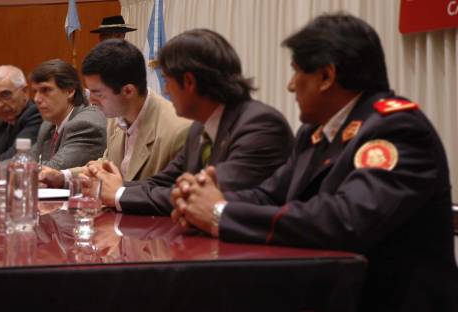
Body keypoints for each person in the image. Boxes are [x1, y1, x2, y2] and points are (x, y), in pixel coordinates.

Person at [171, 13, 458, 311]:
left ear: (326, 77)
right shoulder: (316, 132)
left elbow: (345, 221)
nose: (290, 86)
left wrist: (221, 213)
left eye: (296, 72)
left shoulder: (397, 129)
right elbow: (269, 194)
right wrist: (199, 202)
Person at [84, 29, 294, 216]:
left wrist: (120, 194)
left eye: (167, 81)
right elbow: (161, 182)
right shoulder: (199, 128)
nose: (165, 91)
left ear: (190, 82)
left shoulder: (260, 126)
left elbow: (204, 197)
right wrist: (112, 187)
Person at [39, 39, 191, 188]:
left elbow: (169, 196)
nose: (91, 100)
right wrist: (63, 177)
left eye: (97, 93)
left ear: (128, 91)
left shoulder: (178, 131)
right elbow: (105, 166)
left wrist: (119, 194)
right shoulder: (117, 115)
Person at [0, 59, 106, 178]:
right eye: (35, 91)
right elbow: (26, 160)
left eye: (45, 90)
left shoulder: (86, 124)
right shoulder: (48, 124)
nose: (36, 99)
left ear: (70, 91)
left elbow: (53, 170)